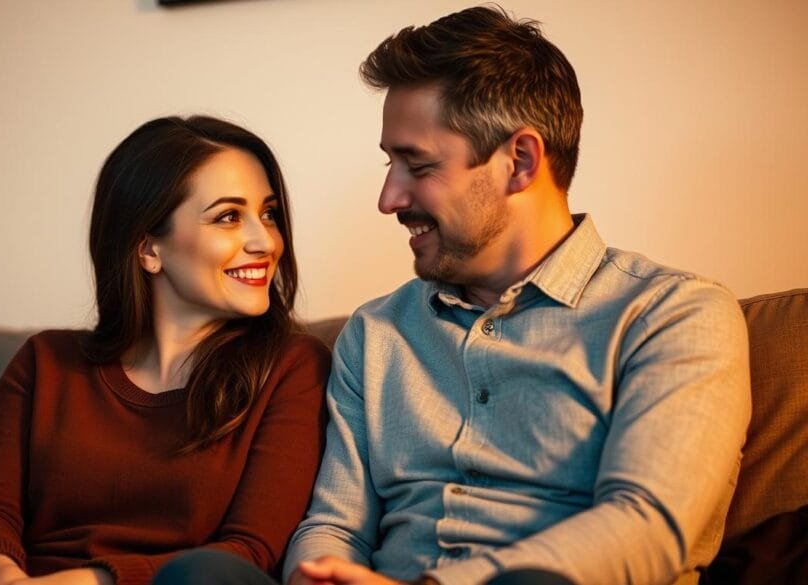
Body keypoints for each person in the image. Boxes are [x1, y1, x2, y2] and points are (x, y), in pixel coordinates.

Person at [281, 6, 751, 585]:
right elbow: (337, 525)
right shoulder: (375, 332)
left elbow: (645, 527)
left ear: (520, 161)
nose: (388, 198)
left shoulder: (672, 316)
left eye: (417, 164)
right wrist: (320, 572)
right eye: (389, 163)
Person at [0, 116, 330, 585]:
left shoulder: (292, 368)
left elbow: (250, 551)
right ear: (148, 249)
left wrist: (85, 581)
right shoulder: (46, 363)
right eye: (228, 217)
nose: (264, 240)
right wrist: (4, 578)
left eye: (268, 214)